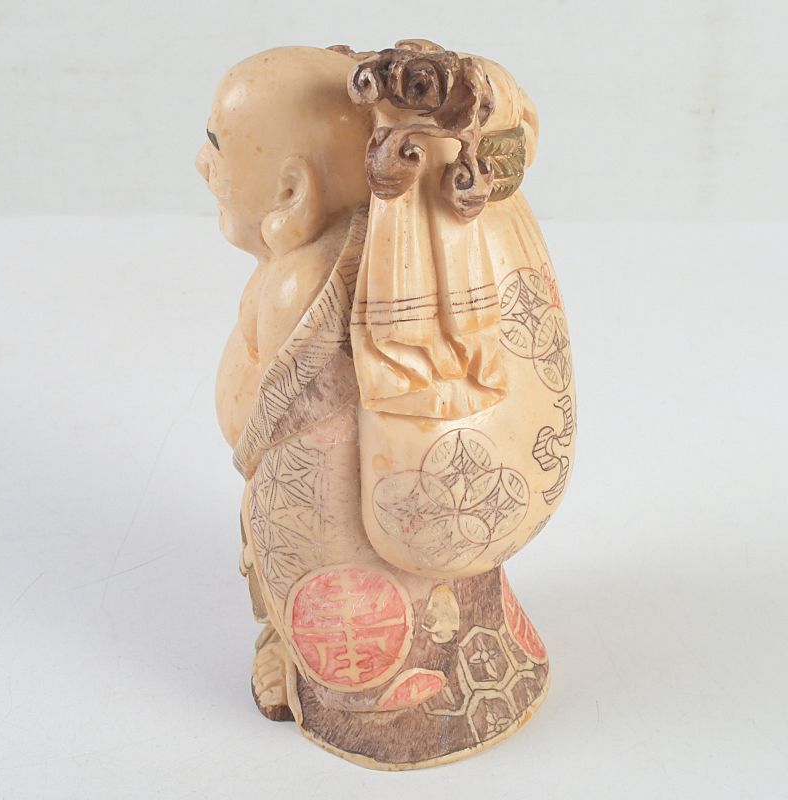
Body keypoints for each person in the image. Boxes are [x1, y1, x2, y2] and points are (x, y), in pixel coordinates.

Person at [197, 41, 574, 769]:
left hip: (342, 536)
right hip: (410, 517)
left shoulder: (301, 285)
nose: (203, 166)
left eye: (216, 146)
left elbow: (257, 413)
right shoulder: (397, 260)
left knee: (348, 608)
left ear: (293, 193)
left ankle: (352, 688)